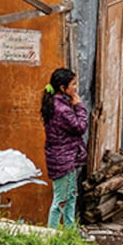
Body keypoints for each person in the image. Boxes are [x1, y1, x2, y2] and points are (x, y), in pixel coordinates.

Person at [40, 68, 88, 228]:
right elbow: (80, 127)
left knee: (71, 195)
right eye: (73, 84)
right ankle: (50, 237)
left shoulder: (58, 103)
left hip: (66, 158)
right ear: (62, 87)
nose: (75, 87)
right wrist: (79, 106)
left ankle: (70, 231)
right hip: (63, 160)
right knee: (60, 200)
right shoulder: (62, 109)